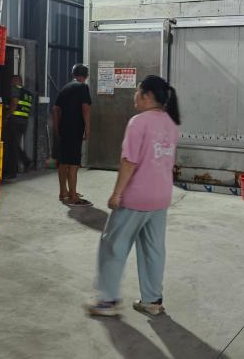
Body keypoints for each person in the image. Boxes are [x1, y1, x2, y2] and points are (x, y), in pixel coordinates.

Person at [87, 75, 180, 317]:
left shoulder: (138, 122)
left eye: (137, 91)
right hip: (161, 197)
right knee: (153, 250)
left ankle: (107, 301)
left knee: (112, 246)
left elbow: (129, 161)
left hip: (137, 197)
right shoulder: (170, 123)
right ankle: (152, 301)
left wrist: (117, 193)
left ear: (147, 95)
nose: (134, 96)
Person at [53, 64, 92, 207]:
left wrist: (57, 128)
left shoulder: (65, 88)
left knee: (63, 162)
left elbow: (55, 109)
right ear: (86, 76)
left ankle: (63, 192)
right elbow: (85, 108)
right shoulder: (83, 87)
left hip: (63, 130)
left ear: (73, 74)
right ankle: (73, 196)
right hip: (75, 130)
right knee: (74, 164)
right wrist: (87, 129)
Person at [2, 75, 34, 179]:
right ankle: (26, 161)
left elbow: (14, 103)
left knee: (11, 147)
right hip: (24, 122)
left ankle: (11, 172)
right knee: (14, 145)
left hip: (14, 122)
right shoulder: (28, 94)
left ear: (16, 81)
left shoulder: (15, 89)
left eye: (12, 81)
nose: (11, 83)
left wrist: (6, 116)